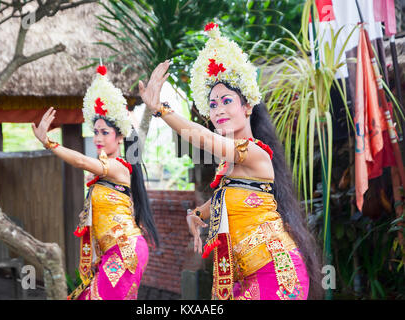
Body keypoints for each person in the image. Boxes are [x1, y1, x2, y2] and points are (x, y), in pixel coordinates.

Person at [138, 22, 322, 300]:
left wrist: (161, 110)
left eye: (227, 101)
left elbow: (203, 138)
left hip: (277, 273)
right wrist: (197, 215)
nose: (219, 110)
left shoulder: (256, 153)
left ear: (247, 106)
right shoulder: (229, 167)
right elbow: (226, 200)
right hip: (247, 276)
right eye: (212, 104)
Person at [32, 64, 158, 300]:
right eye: (95, 132)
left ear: (119, 136)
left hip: (125, 250)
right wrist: (96, 255)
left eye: (105, 133)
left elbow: (80, 161)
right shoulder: (102, 176)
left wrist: (49, 143)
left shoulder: (120, 167)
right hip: (112, 252)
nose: (98, 138)